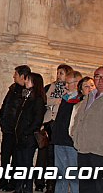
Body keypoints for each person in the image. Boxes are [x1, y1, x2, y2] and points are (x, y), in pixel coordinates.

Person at [36, 63, 73, 193]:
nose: (58, 76)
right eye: (57, 73)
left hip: (57, 125)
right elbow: (43, 102)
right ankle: (39, 182)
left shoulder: (70, 91)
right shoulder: (49, 87)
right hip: (46, 123)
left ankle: (51, 184)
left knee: (53, 157)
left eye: (61, 73)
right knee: (43, 154)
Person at [0, 64, 31, 191]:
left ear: (22, 76)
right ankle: (3, 180)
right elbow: (6, 104)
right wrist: (1, 117)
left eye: (15, 74)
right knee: (4, 156)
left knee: (16, 158)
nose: (13, 76)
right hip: (7, 128)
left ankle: (13, 182)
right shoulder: (12, 88)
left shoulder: (26, 91)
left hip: (17, 131)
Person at [13, 72, 46, 193]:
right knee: (20, 163)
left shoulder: (37, 99)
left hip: (28, 137)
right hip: (21, 135)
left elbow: (37, 120)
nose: (25, 81)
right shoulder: (26, 96)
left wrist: (27, 132)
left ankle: (27, 188)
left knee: (26, 164)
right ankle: (19, 187)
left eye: (28, 80)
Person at [52, 71, 82, 193]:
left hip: (71, 142)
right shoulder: (65, 98)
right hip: (59, 139)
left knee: (73, 174)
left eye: (68, 83)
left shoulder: (81, 100)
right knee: (60, 173)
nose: (65, 86)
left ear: (77, 83)